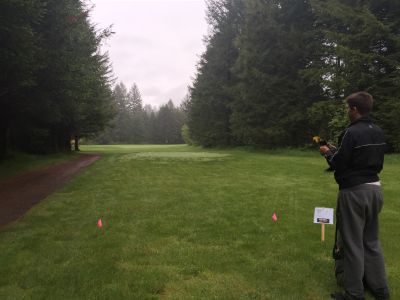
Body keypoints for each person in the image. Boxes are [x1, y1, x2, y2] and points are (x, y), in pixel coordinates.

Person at [319, 92, 390, 300]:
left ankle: (354, 293)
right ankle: (380, 289)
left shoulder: (351, 133)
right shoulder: (377, 131)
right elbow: (361, 157)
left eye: (348, 108)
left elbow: (338, 164)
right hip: (375, 190)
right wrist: (337, 151)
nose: (347, 112)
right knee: (371, 241)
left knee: (352, 243)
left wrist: (327, 152)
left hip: (354, 192)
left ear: (355, 110)